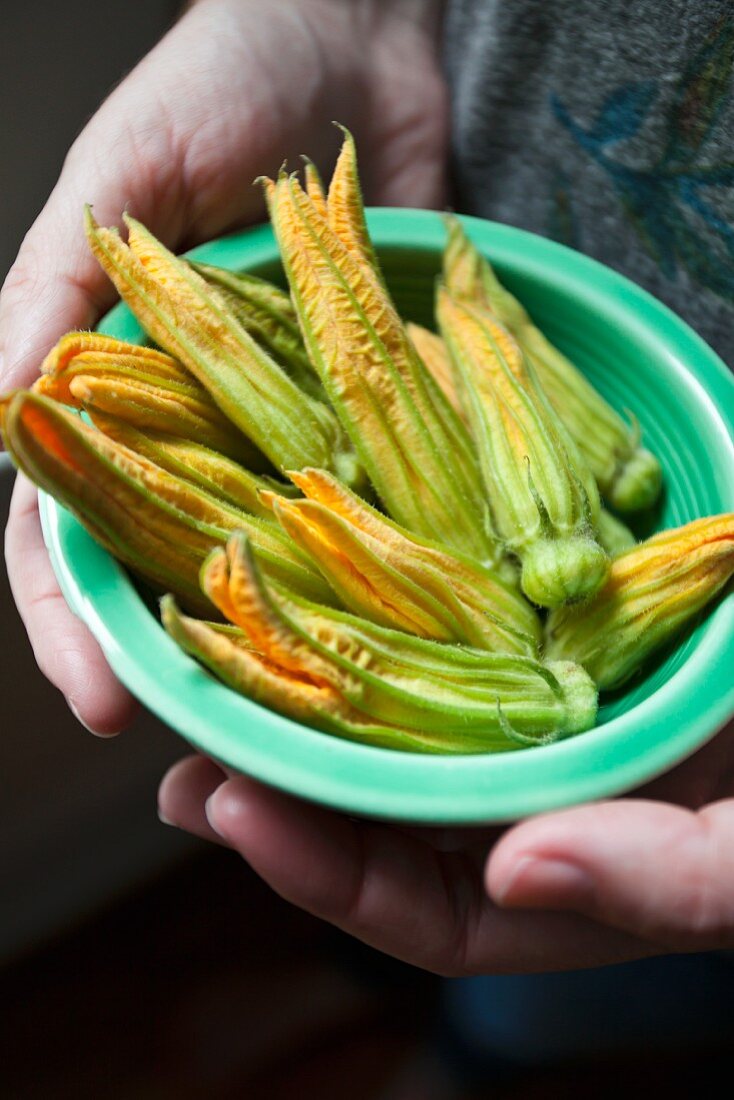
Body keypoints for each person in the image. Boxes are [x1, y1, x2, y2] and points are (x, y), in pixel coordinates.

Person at [3, 0, 734, 1036]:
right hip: (464, 148)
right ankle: (447, 1034)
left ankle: (475, 1048)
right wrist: (339, 17)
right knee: (486, 952)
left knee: (574, 980)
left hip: (686, 763)